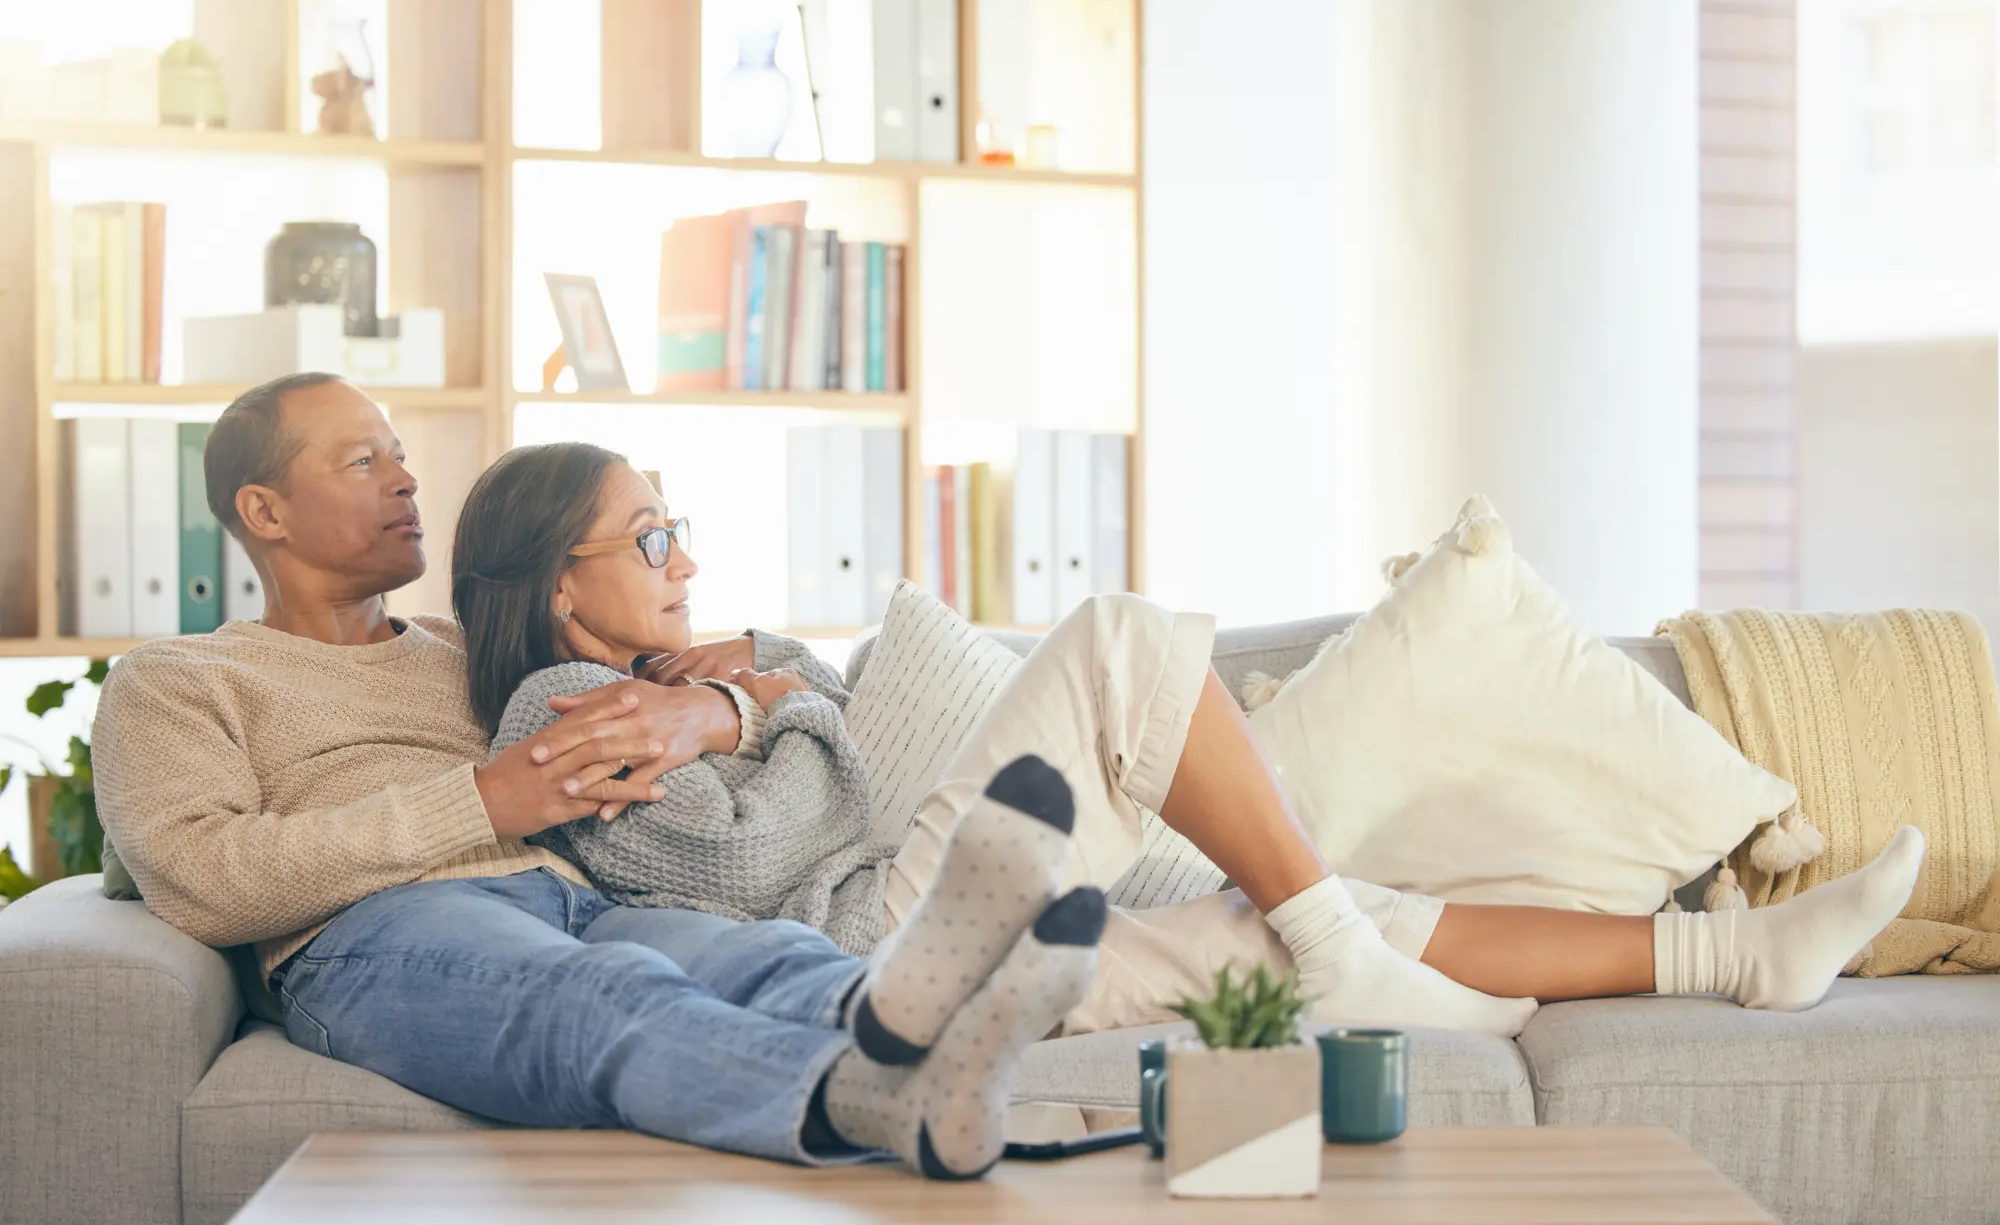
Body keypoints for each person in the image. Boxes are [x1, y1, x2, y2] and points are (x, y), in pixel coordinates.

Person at [451, 438, 1931, 1045]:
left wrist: (745, 697)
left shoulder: (698, 668)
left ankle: (1745, 956)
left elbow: (799, 699)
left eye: (678, 524)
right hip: (854, 960)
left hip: (934, 954)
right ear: (558, 581)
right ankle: (1337, 942)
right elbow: (745, 859)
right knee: (1123, 644)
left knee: (1291, 930)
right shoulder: (550, 718)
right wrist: (765, 708)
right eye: (647, 535)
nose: (683, 558)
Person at [90, 372, 1112, 1180]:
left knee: (770, 964)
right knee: (604, 997)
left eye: (401, 456)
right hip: (369, 933)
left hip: (571, 899)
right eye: (362, 460)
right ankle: (867, 1092)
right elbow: (200, 875)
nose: (405, 480)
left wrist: (720, 703)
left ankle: (954, 1024)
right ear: (263, 510)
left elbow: (698, 658)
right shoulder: (179, 678)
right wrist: (484, 801)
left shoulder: (473, 649)